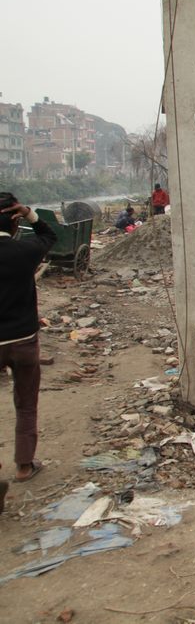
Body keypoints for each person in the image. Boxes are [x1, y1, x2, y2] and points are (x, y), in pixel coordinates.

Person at [0, 192, 57, 512]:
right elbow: (49, 235)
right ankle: (24, 465)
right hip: (23, 340)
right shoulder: (24, 251)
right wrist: (31, 214)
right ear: (15, 220)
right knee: (26, 404)